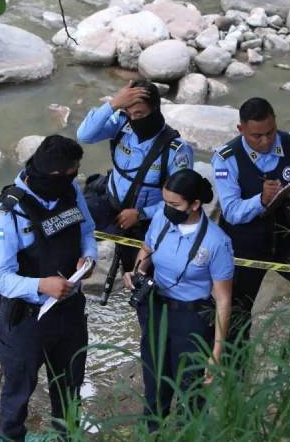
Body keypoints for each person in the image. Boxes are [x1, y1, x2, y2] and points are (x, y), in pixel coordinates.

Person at [0, 135, 98, 442]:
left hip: (70, 313)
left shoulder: (71, 191)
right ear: (54, 174)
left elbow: (87, 230)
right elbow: (1, 278)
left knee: (69, 387)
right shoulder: (7, 214)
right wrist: (41, 285)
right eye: (71, 171)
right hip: (26, 320)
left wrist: (89, 258)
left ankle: (66, 436)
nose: (75, 176)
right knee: (17, 394)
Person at [123, 169, 234, 430]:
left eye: (175, 205)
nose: (167, 209)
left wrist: (216, 352)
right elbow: (147, 249)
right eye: (165, 202)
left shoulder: (217, 242)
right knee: (154, 384)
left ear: (195, 204)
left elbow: (223, 300)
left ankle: (187, 434)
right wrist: (136, 271)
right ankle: (153, 433)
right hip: (156, 312)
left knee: (190, 390)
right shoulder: (161, 219)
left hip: (193, 320)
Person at [212, 97, 290, 346]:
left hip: (285, 239)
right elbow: (231, 211)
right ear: (241, 130)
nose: (265, 141)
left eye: (270, 132)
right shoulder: (226, 158)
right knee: (238, 317)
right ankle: (236, 376)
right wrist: (261, 200)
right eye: (257, 136)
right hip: (245, 247)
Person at [77, 80, 194, 274]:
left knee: (138, 274)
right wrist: (113, 104)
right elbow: (84, 135)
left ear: (155, 109)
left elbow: (182, 203)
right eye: (129, 113)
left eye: (139, 114)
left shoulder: (177, 151)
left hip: (146, 218)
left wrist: (141, 214)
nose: (133, 118)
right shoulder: (122, 125)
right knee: (71, 227)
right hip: (109, 202)